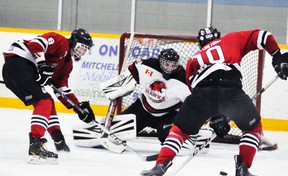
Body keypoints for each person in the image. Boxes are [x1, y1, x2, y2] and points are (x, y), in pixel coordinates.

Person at [140, 27, 288, 176]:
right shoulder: (231, 39)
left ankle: (160, 166)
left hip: (202, 92)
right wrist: (277, 56)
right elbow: (263, 35)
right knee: (253, 128)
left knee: (179, 130)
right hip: (230, 88)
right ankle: (243, 170)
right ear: (218, 37)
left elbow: (201, 93)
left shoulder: (193, 59)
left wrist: (215, 117)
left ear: (200, 44)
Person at [2, 28, 96, 164]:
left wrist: (78, 107)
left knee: (47, 102)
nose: (82, 51)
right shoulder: (61, 42)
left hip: (21, 71)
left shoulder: (67, 65)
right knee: (44, 101)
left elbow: (61, 88)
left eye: (85, 49)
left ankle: (58, 139)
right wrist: (41, 64)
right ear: (74, 42)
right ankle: (35, 146)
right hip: (18, 64)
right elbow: (36, 44)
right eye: (81, 47)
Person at [100, 48, 211, 154]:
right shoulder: (146, 65)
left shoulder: (184, 80)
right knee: (115, 133)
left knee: (168, 138)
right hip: (141, 109)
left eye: (173, 65)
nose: (169, 68)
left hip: (167, 116)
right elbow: (127, 78)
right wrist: (117, 87)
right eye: (166, 64)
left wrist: (209, 119)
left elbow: (196, 105)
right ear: (160, 61)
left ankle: (192, 135)